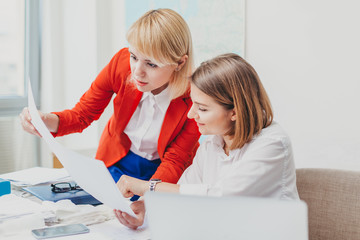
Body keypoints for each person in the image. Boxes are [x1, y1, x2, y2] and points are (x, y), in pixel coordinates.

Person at [19, 9, 201, 196]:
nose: (137, 71)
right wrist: (45, 120)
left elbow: (175, 161)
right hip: (115, 160)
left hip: (162, 174)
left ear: (179, 63)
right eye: (134, 56)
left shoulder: (196, 97)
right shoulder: (121, 65)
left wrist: (150, 198)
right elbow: (83, 114)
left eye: (151, 64)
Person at [114, 53, 300, 229]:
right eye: (193, 104)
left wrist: (149, 186)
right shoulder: (212, 145)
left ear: (234, 112)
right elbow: (184, 192)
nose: (190, 114)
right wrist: (147, 208)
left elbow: (222, 198)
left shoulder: (273, 144)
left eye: (202, 109)